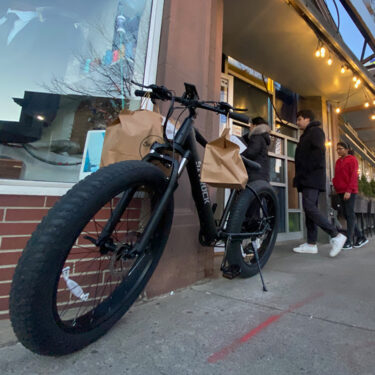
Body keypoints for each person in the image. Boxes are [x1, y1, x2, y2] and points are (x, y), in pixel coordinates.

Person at [292, 109, 346, 257]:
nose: (297, 122)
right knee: (309, 210)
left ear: (307, 119)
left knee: (309, 208)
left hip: (311, 177)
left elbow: (318, 154)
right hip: (307, 178)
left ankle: (336, 235)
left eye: (299, 119)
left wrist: (307, 172)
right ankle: (311, 244)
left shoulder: (315, 132)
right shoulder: (308, 134)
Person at [332, 142, 368, 249]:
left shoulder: (352, 160)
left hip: (349, 191)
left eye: (341, 149)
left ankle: (348, 240)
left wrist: (348, 191)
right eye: (337, 149)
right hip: (340, 191)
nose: (338, 151)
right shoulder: (338, 161)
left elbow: (353, 177)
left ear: (347, 149)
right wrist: (335, 184)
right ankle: (361, 237)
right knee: (347, 215)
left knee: (349, 214)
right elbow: (337, 176)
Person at [241, 116, 271, 182]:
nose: (249, 127)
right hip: (261, 175)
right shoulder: (262, 138)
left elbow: (251, 153)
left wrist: (239, 155)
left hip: (255, 175)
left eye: (251, 125)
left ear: (255, 125)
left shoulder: (257, 137)